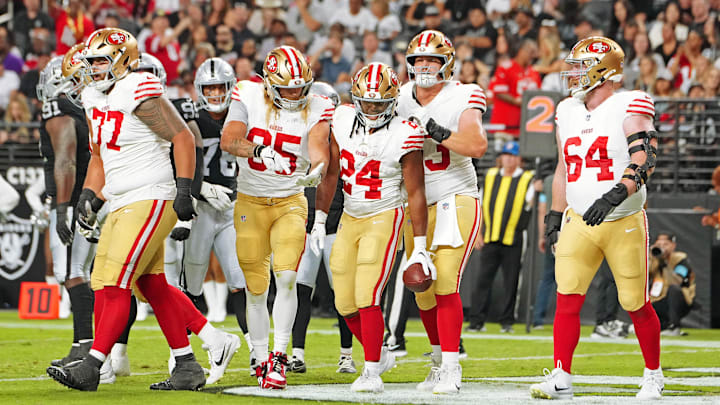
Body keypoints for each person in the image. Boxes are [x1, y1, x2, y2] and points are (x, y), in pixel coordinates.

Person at [46, 28, 236, 392]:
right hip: (121, 198)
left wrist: (184, 192)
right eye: (92, 62)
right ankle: (190, 361)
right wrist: (90, 195)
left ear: (122, 60)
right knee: (148, 283)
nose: (94, 69)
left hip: (151, 194)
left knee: (114, 282)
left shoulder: (136, 86)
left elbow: (182, 137)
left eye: (101, 60)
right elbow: (101, 156)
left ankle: (94, 366)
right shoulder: (92, 96)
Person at [529, 36, 663, 400]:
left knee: (634, 301)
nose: (572, 74)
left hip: (623, 218)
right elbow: (563, 168)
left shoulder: (629, 103)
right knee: (567, 297)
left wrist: (616, 193)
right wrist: (555, 213)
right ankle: (561, 377)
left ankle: (653, 373)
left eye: (580, 66)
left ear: (603, 70)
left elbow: (645, 158)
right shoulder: (566, 110)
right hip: (579, 219)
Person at [221, 45, 334, 390]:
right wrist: (259, 150)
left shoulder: (318, 104)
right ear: (269, 83)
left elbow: (318, 146)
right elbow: (229, 139)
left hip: (290, 201)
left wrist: (317, 169)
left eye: (300, 87)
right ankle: (258, 354)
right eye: (286, 87)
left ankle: (279, 357)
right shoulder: (247, 93)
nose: (294, 94)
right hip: (250, 201)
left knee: (287, 279)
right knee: (257, 288)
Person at [327, 62, 431, 393]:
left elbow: (416, 192)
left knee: (367, 293)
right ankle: (381, 352)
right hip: (350, 216)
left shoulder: (405, 132)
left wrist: (420, 244)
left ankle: (371, 370)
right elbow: (330, 167)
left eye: (379, 103)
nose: (372, 109)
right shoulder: (340, 118)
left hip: (385, 214)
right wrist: (317, 217)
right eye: (367, 102)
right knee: (343, 302)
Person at [397, 29, 487, 394]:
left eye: (432, 60)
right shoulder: (400, 97)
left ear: (446, 64)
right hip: (414, 202)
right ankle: (437, 361)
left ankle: (452, 366)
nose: (424, 66)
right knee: (422, 287)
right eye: (419, 59)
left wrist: (436, 130)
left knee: (446, 279)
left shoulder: (464, 94)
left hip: (455, 196)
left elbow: (476, 144)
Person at [288, 82, 357, 375]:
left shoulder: (344, 140)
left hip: (334, 225)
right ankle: (297, 354)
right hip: (304, 224)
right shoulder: (298, 137)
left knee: (341, 293)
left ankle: (346, 354)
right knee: (300, 290)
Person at [468, 141, 535, 334]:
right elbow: (479, 205)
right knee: (482, 280)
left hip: (513, 239)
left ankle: (507, 321)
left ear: (519, 159)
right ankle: (476, 321)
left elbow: (530, 203)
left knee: (511, 281)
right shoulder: (489, 176)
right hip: (490, 236)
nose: (509, 159)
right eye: (506, 155)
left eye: (513, 155)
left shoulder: (527, 179)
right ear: (500, 158)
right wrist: (478, 232)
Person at [649, 231, 696, 336]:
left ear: (673, 245)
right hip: (659, 300)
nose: (662, 247)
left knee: (674, 289)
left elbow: (677, 281)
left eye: (665, 244)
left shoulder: (680, 259)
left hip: (681, 300)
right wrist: (650, 257)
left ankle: (674, 326)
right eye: (659, 245)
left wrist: (664, 264)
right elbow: (643, 276)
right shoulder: (653, 259)